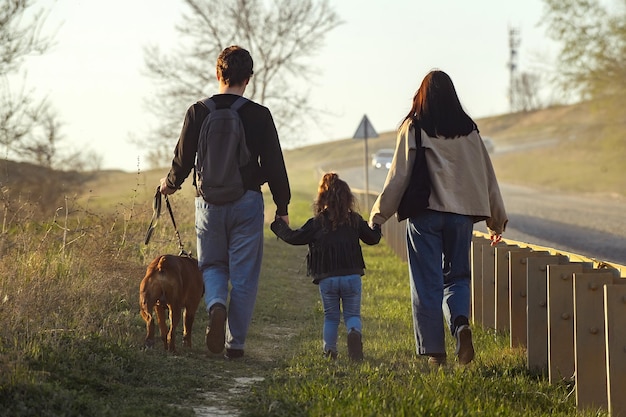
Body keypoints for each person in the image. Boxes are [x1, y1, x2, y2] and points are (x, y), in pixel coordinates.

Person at [159, 45, 291, 360]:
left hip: (208, 203)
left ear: (218, 73)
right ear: (248, 78)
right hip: (247, 201)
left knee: (213, 265)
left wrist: (170, 184)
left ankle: (216, 304)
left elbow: (182, 160)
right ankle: (235, 344)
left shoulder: (198, 111)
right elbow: (274, 163)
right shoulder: (259, 114)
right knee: (244, 274)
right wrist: (282, 207)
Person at [369, 70, 507, 366]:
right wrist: (497, 219)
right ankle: (460, 325)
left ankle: (435, 353)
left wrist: (378, 216)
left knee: (427, 284)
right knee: (457, 277)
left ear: (422, 96)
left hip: (425, 217)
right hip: (460, 218)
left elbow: (398, 177)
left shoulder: (414, 128)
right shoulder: (469, 130)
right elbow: (487, 175)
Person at [271, 173, 381, 361]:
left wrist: (278, 225)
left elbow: (295, 237)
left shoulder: (317, 223)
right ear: (347, 198)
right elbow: (372, 239)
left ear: (322, 198)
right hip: (352, 276)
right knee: (352, 314)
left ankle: (329, 352)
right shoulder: (354, 220)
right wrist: (376, 224)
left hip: (327, 278)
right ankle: (354, 333)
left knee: (331, 317)